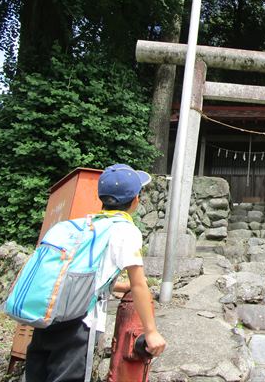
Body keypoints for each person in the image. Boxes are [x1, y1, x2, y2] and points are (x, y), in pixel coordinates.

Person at [25, 163, 167, 382]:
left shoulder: (84, 225)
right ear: (136, 199)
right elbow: (139, 284)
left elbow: (86, 273)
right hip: (79, 323)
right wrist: (151, 332)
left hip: (48, 315)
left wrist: (119, 287)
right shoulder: (125, 230)